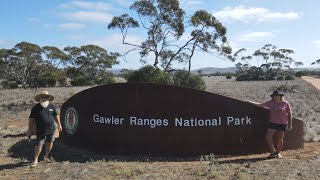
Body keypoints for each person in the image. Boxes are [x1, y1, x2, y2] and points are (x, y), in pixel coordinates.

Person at [248, 90, 292, 159]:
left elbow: (289, 114)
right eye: (274, 96)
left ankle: (278, 153)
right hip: (273, 122)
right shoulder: (270, 102)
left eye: (277, 96)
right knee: (268, 136)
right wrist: (250, 102)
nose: (276, 97)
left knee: (280, 138)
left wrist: (290, 125)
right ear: (273, 97)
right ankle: (273, 151)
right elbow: (260, 105)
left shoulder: (285, 103)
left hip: (283, 123)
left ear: (280, 96)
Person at [26, 91, 62, 167]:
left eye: (46, 97)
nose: (44, 98)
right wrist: (29, 129)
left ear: (48, 98)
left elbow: (56, 116)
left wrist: (59, 124)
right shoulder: (36, 108)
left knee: (49, 143)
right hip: (40, 130)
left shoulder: (52, 106)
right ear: (39, 98)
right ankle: (35, 160)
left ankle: (45, 156)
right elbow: (31, 119)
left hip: (51, 129)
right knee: (39, 145)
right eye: (42, 97)